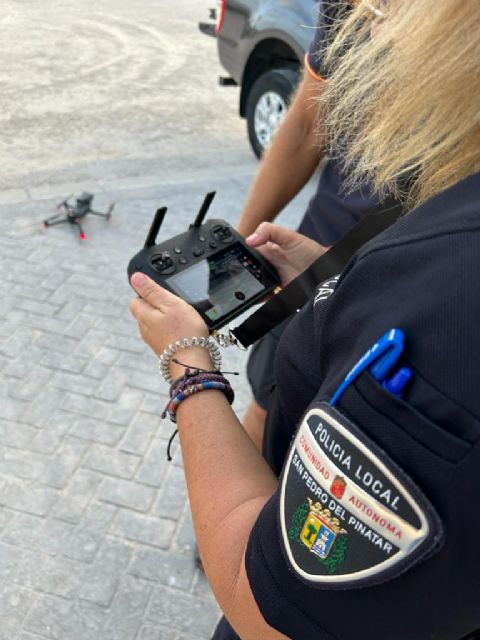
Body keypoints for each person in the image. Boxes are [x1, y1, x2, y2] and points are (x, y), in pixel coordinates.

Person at [130, 1, 480, 638]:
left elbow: (266, 611)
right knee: (271, 410)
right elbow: (308, 118)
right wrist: (341, 281)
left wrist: (187, 365)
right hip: (341, 284)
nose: (366, 14)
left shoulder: (439, 329)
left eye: (393, 4)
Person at [237, 0, 402, 452]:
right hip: (316, 263)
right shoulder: (353, 6)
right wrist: (235, 248)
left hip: (414, 306)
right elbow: (310, 123)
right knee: (266, 416)